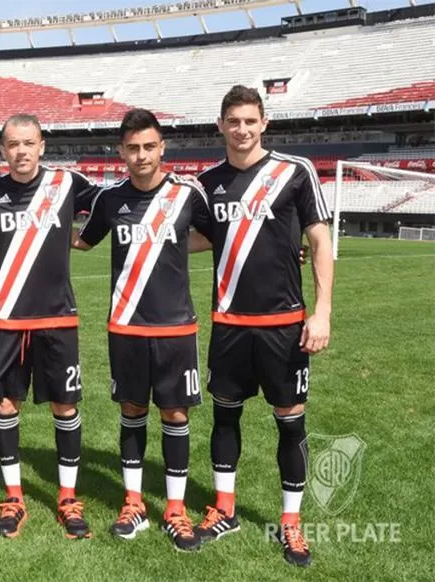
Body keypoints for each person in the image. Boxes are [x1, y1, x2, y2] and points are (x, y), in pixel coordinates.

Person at [194, 85, 333, 567]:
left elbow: (318, 239)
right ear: (220, 125)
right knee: (225, 416)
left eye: (250, 120)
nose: (242, 129)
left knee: (289, 423)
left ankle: (291, 524)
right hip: (228, 322)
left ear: (264, 122)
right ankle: (225, 510)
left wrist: (322, 311)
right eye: (233, 120)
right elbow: (192, 238)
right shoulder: (207, 182)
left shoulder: (295, 172)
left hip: (284, 325)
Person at [73, 108, 213, 551]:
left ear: (161, 148)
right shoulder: (109, 200)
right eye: (132, 148)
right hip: (126, 326)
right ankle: (133, 502)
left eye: (148, 147)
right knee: (132, 410)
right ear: (121, 152)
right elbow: (82, 240)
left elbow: (217, 236)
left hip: (176, 327)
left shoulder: (188, 196)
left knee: (175, 414)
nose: (140, 156)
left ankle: (175, 509)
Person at [0, 114, 101, 539]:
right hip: (6, 318)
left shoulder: (68, 184)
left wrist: (78, 239)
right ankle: (13, 498)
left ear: (42, 145)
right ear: (2, 150)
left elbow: (115, 208)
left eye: (28, 143)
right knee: (6, 406)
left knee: (65, 407)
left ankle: (67, 498)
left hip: (57, 318)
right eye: (12, 144)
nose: (21, 151)